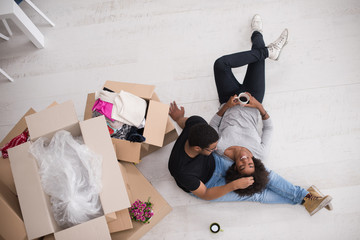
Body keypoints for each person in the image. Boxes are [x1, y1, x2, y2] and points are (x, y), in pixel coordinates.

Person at [168, 14, 333, 216]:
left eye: (213, 146)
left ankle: (306, 197)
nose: (216, 149)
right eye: (211, 149)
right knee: (255, 194)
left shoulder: (199, 128)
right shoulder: (182, 171)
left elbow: (191, 124)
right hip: (210, 183)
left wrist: (178, 119)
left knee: (267, 176)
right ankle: (305, 199)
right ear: (197, 148)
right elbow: (206, 194)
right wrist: (234, 184)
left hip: (225, 139)